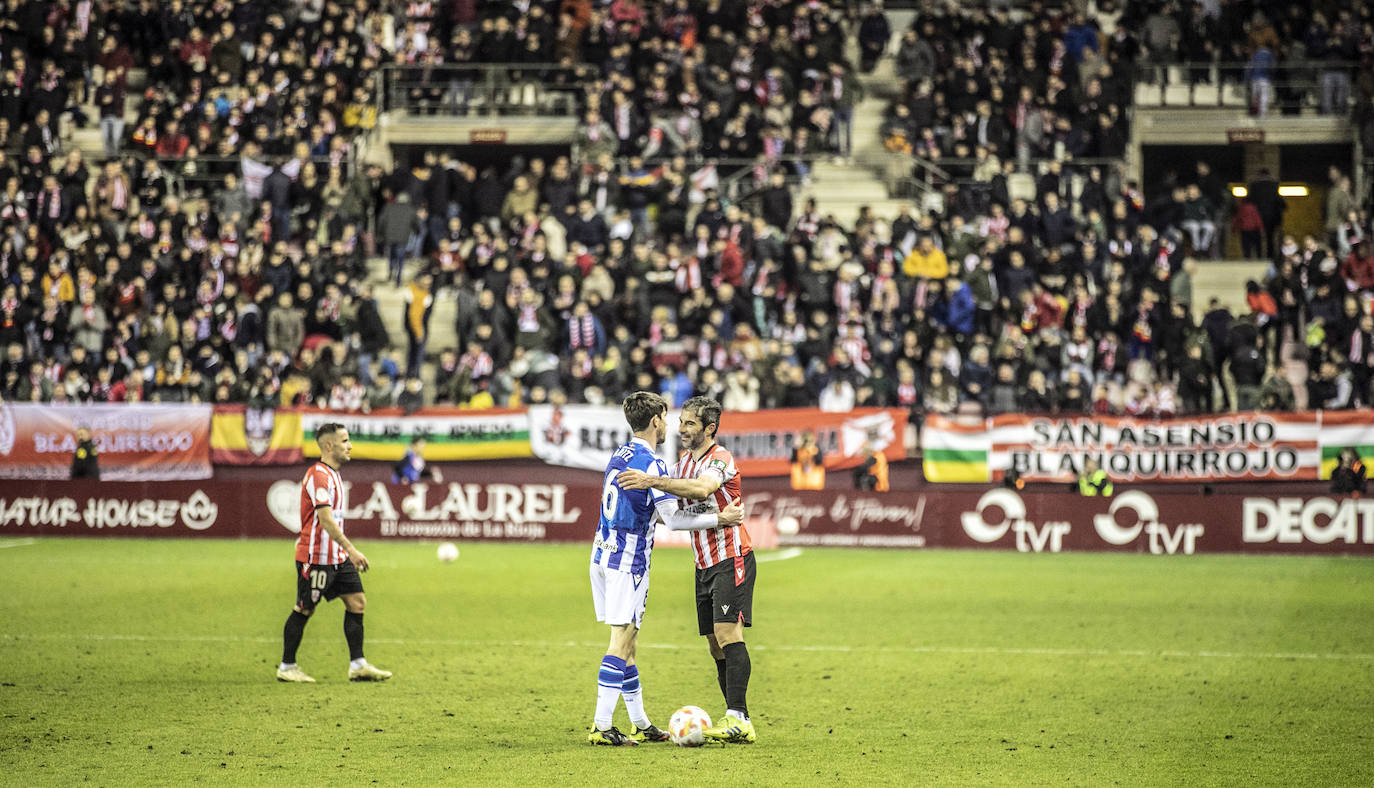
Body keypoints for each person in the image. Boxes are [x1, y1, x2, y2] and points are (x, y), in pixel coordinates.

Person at [587, 392, 744, 746]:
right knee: (621, 640)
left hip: (601, 551)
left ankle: (641, 723)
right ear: (656, 420)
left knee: (630, 644)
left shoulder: (620, 453)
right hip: (628, 559)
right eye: (667, 417)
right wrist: (719, 517)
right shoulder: (653, 464)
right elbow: (672, 518)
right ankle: (601, 724)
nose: (671, 424)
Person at [276, 423, 392, 684]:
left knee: (357, 602)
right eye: (345, 440)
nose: (350, 445)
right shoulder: (319, 475)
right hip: (315, 558)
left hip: (336, 558)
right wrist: (351, 549)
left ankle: (358, 665)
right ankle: (286, 666)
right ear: (329, 446)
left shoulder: (334, 474)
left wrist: (343, 552)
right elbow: (326, 519)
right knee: (304, 609)